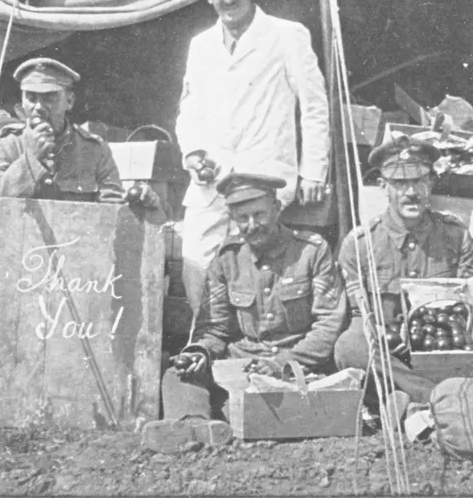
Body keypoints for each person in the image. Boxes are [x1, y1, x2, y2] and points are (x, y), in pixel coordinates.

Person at [0, 57, 146, 417]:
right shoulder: (7, 146)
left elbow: (111, 209)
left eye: (50, 97)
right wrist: (29, 159)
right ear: (21, 102)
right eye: (31, 97)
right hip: (11, 258)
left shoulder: (94, 150)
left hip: (74, 264)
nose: (39, 106)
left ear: (69, 101)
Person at [175, 0, 331, 315]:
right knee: (195, 260)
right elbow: (189, 110)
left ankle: (249, 349)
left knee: (248, 267)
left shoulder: (287, 35)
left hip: (263, 178)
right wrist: (194, 154)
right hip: (210, 182)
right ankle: (205, 344)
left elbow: (314, 107)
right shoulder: (201, 46)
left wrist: (313, 171)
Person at [141, 173, 346, 453]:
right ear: (232, 217)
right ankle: (197, 424)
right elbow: (214, 328)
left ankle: (210, 423)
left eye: (259, 214)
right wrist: (200, 352)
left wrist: (284, 361)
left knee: (263, 399)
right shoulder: (227, 258)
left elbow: (328, 323)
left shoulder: (312, 251)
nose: (252, 225)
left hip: (298, 366)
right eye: (242, 218)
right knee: (178, 374)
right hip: (244, 363)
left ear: (277, 208)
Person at [334, 136, 473, 419]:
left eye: (420, 181)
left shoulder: (455, 235)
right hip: (389, 356)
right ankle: (435, 399)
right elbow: (358, 316)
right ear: (383, 187)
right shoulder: (360, 244)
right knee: (350, 346)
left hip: (440, 347)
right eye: (399, 184)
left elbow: (468, 308)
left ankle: (403, 403)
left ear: (432, 183)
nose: (411, 192)